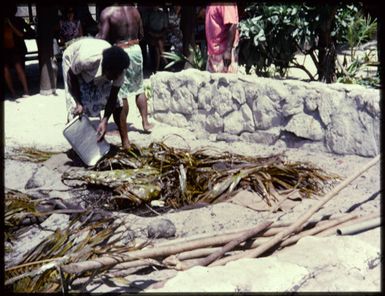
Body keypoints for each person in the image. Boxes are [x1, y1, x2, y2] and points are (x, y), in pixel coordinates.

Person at [62, 38, 131, 149]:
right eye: (114, 75)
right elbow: (72, 75)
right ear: (107, 69)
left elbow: (113, 96)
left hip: (97, 66)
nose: (116, 78)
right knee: (77, 110)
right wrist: (78, 102)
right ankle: (82, 148)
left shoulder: (119, 68)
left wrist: (104, 121)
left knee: (120, 101)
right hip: (73, 65)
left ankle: (126, 142)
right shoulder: (86, 59)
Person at [96, 4, 154, 135]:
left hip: (120, 51)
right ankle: (145, 122)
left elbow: (102, 39)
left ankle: (122, 128)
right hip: (136, 49)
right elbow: (141, 34)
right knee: (139, 87)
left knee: (121, 92)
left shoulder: (108, 12)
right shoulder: (135, 11)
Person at [3, 5, 35, 98]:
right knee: (5, 69)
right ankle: (12, 91)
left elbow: (21, 34)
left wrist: (10, 24)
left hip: (16, 48)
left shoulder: (18, 21)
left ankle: (26, 90)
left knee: (18, 66)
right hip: (5, 49)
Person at [205, 3, 239, 73]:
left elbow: (232, 24)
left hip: (223, 56)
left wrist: (228, 51)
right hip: (214, 54)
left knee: (226, 82)